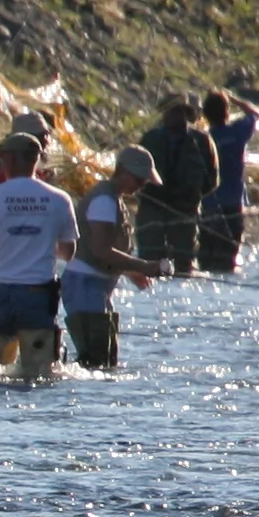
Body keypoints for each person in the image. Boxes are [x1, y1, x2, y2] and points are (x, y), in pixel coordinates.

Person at [0, 130, 77, 382]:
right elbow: (68, 252)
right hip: (38, 294)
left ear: (10, 159)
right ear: (36, 159)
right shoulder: (60, 199)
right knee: (40, 374)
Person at [62, 146, 170, 369]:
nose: (141, 185)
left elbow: (104, 250)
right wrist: (145, 265)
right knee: (95, 362)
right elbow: (101, 250)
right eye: (138, 178)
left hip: (97, 286)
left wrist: (132, 271)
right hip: (85, 285)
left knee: (105, 362)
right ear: (122, 170)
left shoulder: (113, 199)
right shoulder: (104, 201)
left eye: (144, 180)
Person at [135, 96, 216, 273]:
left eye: (180, 112)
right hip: (152, 208)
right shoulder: (150, 139)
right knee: (148, 261)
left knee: (183, 264)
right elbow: (136, 171)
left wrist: (190, 198)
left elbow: (212, 180)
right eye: (172, 111)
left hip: (184, 210)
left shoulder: (202, 141)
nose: (175, 116)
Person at [199, 85, 259, 273]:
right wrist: (234, 98)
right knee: (228, 259)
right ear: (227, 112)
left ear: (206, 114)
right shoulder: (237, 133)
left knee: (206, 257)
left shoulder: (202, 139)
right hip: (233, 203)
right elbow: (254, 112)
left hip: (208, 205)